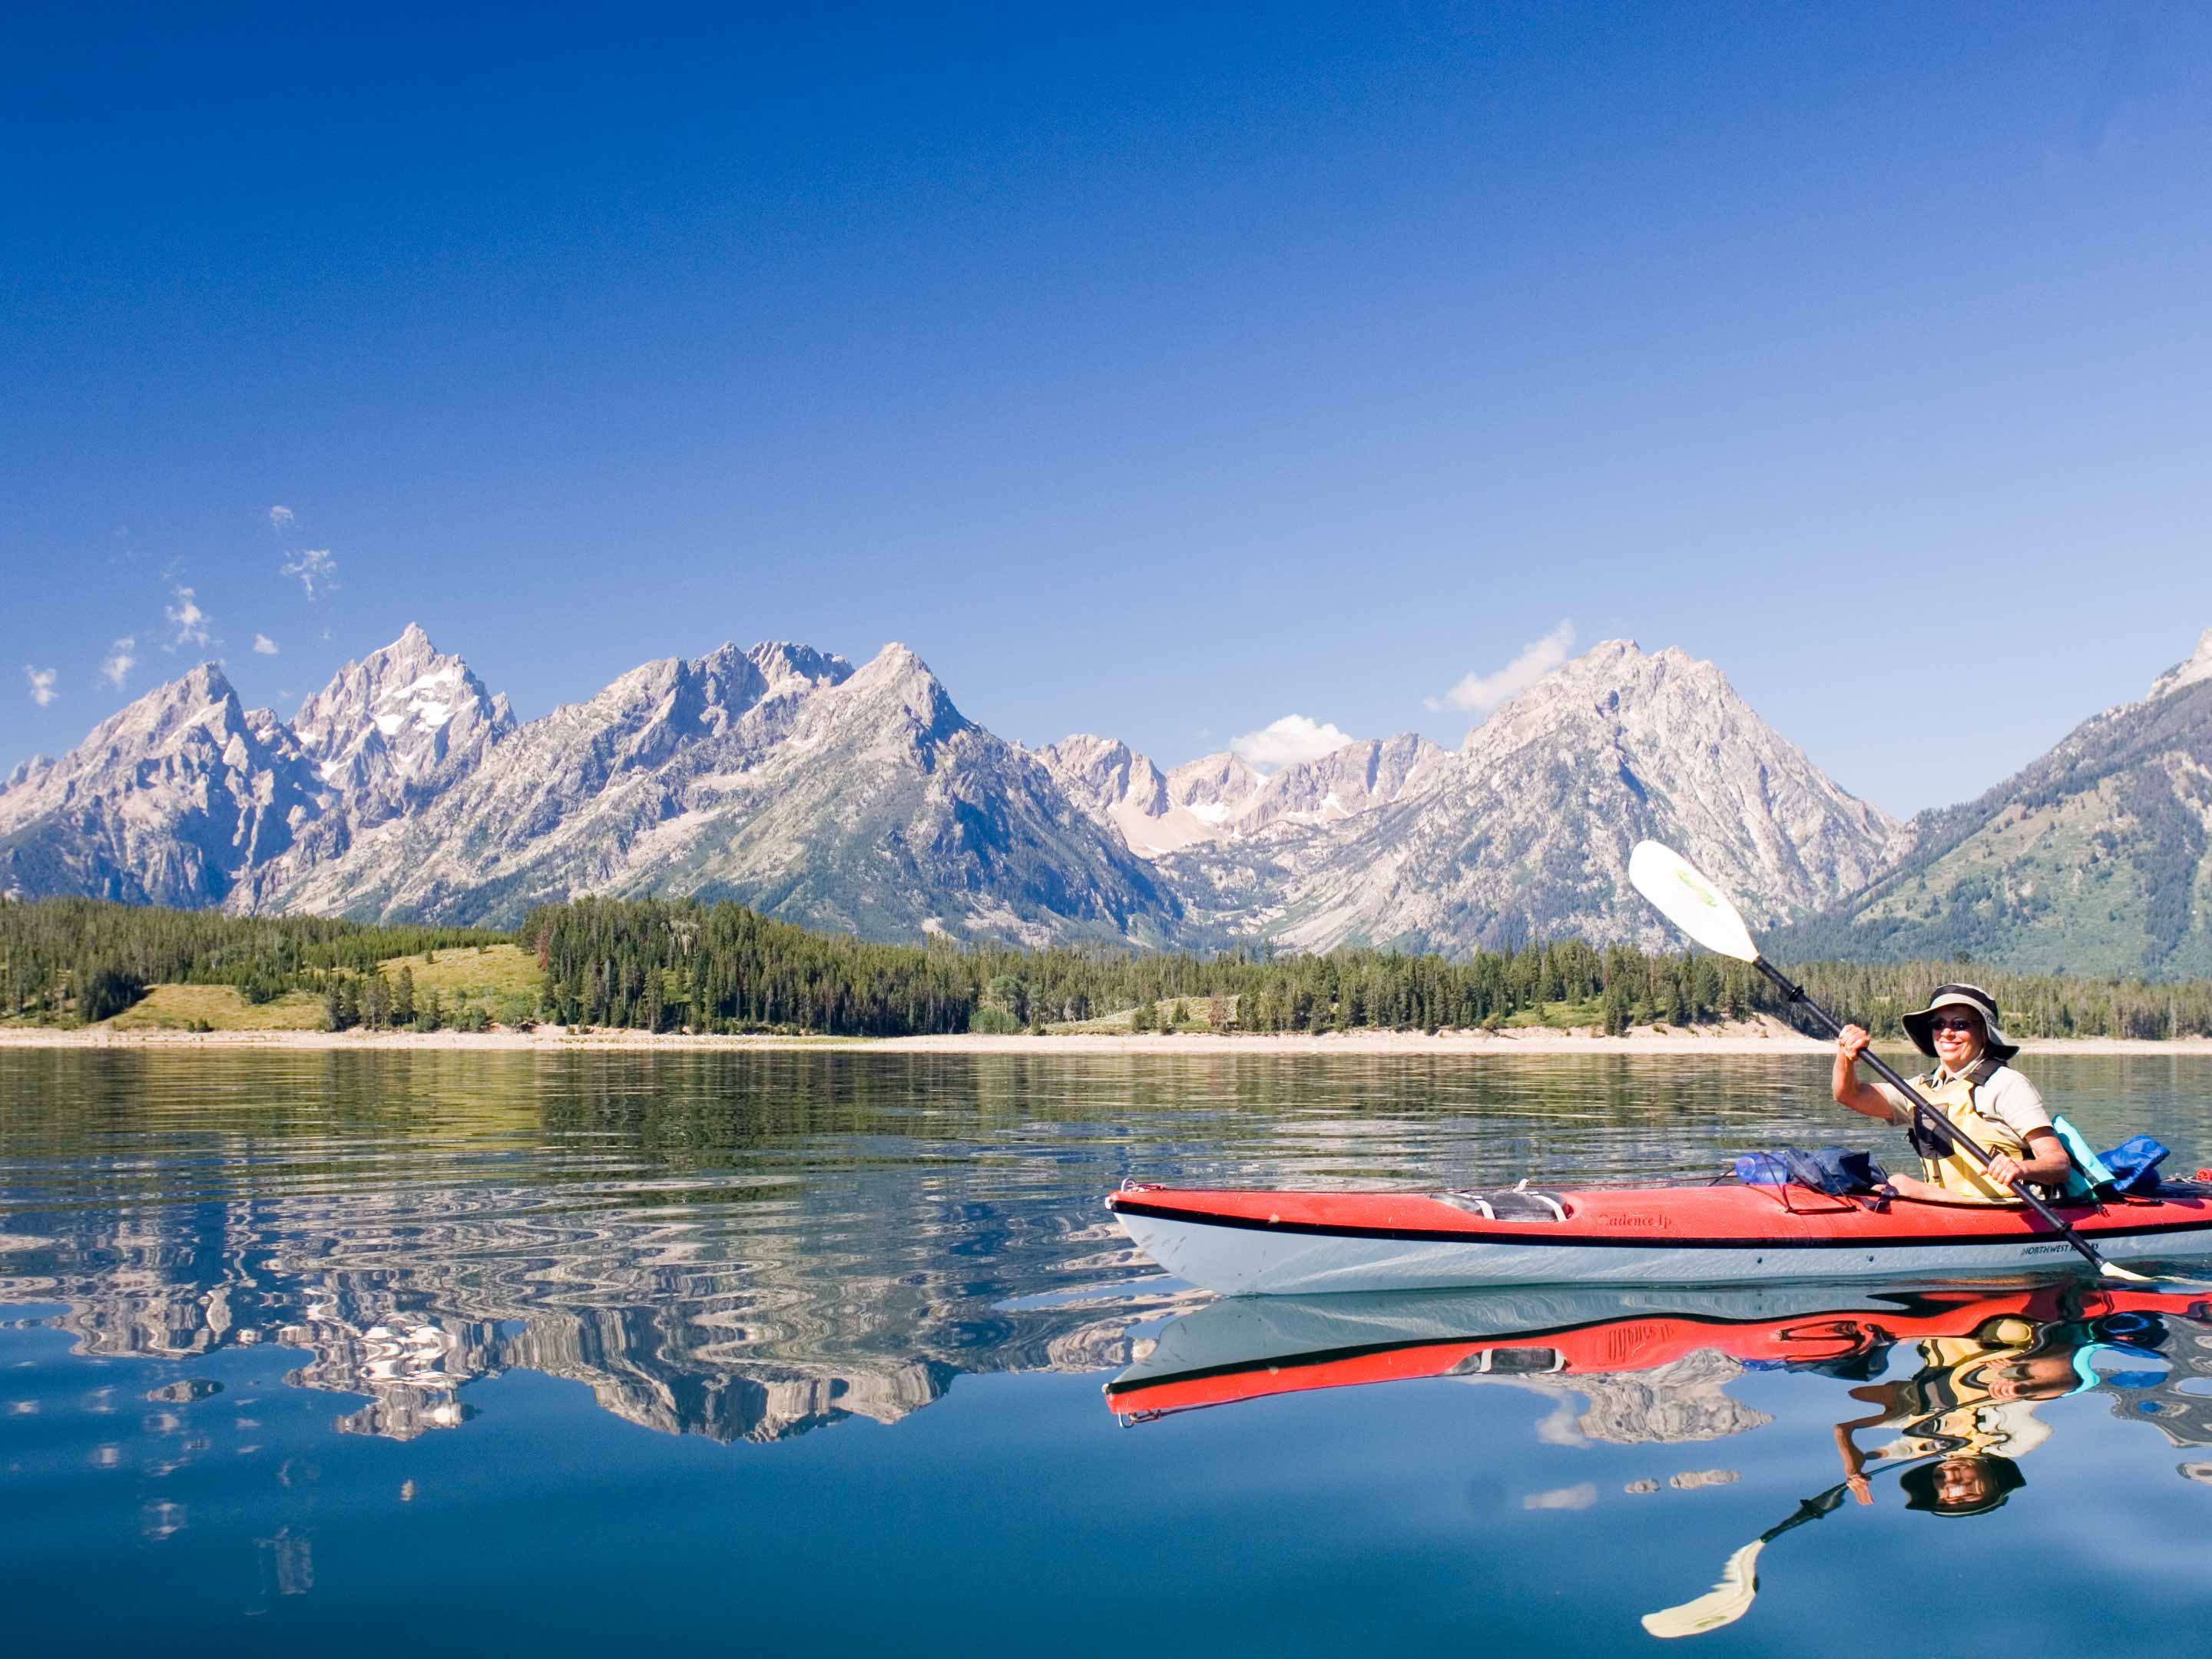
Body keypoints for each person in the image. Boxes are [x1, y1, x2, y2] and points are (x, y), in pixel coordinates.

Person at [1831, 983, 2070, 1204]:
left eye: (1960, 1025)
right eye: (1939, 1024)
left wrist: (2020, 1168)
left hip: (2006, 1209)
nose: (1946, 1033)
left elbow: (2059, 1163)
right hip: (1949, 1207)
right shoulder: (1919, 1090)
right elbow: (1849, 1095)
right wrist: (1846, 1055)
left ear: (1983, 1032)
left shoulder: (2007, 1085)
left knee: (1900, 1183)